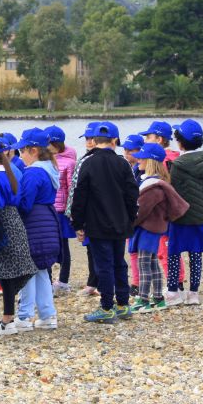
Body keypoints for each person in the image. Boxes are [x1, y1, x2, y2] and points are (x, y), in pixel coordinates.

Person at [70, 122, 139, 324]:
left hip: (97, 223)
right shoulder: (123, 163)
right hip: (120, 222)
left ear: (93, 141)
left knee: (104, 265)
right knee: (119, 262)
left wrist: (78, 224)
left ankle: (107, 306)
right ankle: (123, 304)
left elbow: (79, 196)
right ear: (115, 141)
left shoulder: (87, 163)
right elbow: (132, 194)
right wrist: (130, 218)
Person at [0, 138, 37, 336]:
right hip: (15, 222)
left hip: (1, 224)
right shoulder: (11, 174)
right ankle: (9, 318)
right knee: (9, 274)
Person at [128, 143, 190, 313]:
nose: (138, 159)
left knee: (144, 263)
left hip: (147, 229)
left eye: (142, 157)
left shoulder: (153, 187)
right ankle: (158, 298)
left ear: (150, 161)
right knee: (153, 263)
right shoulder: (154, 182)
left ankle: (144, 299)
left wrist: (128, 223)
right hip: (152, 229)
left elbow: (141, 211)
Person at [165, 119, 203, 307]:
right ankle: (193, 293)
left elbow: (172, 193)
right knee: (195, 254)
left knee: (173, 252)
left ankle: (173, 291)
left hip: (181, 218)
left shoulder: (177, 164)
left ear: (180, 141)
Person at [14, 128, 61, 332]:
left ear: (33, 150)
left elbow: (25, 203)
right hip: (48, 222)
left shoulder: (33, 172)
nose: (20, 155)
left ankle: (24, 316)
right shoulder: (50, 169)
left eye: (22, 151)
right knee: (41, 269)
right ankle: (47, 314)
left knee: (27, 269)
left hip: (34, 224)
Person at [138, 120, 185, 291]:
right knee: (168, 248)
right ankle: (175, 281)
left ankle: (175, 284)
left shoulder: (163, 161)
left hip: (162, 213)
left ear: (159, 139)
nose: (144, 141)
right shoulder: (176, 158)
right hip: (172, 211)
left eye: (148, 137)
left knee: (165, 250)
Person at [65, 121, 100, 298]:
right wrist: (74, 216)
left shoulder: (97, 160)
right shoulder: (83, 159)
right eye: (86, 138)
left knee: (98, 248)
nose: (89, 142)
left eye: (92, 138)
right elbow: (74, 189)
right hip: (86, 212)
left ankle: (96, 282)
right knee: (90, 248)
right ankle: (93, 281)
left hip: (95, 212)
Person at [45, 125, 76, 295]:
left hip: (62, 209)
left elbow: (71, 187)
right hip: (49, 207)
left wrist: (70, 211)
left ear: (55, 144)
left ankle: (63, 280)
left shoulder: (69, 162)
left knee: (64, 245)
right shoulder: (46, 160)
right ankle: (48, 281)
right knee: (49, 243)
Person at [120, 133, 145, 296]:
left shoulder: (141, 171)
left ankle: (140, 283)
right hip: (131, 216)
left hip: (140, 217)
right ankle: (136, 282)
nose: (127, 154)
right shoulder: (129, 168)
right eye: (125, 151)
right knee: (132, 250)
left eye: (131, 151)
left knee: (143, 252)